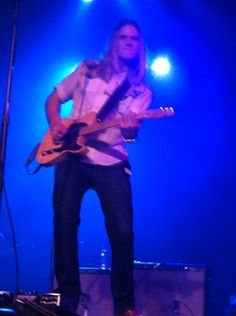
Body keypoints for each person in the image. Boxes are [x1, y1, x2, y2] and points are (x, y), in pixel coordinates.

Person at [45, 19, 153, 316]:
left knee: (122, 232)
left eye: (135, 38)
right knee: (64, 223)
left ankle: (124, 305)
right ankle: (66, 297)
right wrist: (56, 124)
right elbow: (54, 98)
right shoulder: (87, 70)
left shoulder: (139, 89)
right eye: (124, 37)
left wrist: (131, 128)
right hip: (73, 156)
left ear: (140, 46)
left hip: (112, 161)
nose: (130, 41)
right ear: (114, 41)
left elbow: (130, 135)